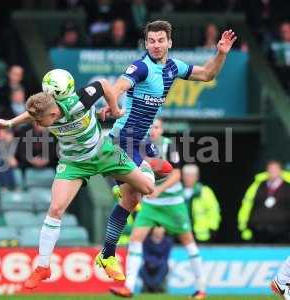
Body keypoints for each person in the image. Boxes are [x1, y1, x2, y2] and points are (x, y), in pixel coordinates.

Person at [97, 21, 236, 296]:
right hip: (124, 140)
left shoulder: (174, 68)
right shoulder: (141, 67)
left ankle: (108, 251)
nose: (156, 45)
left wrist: (221, 53)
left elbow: (207, 74)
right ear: (146, 44)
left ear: (169, 42)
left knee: (137, 194)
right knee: (145, 188)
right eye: (151, 41)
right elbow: (118, 86)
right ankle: (122, 182)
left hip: (142, 143)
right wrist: (111, 104)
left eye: (160, 40)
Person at [0, 73, 161, 290]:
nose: (38, 124)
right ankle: (43, 266)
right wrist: (10, 122)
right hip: (73, 163)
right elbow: (34, 112)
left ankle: (145, 165)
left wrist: (115, 109)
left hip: (103, 152)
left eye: (41, 122)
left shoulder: (79, 103)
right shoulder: (45, 108)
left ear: (53, 113)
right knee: (55, 208)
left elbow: (103, 84)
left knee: (147, 188)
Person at [110, 119, 206, 299]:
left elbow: (177, 174)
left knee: (188, 242)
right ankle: (128, 287)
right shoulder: (138, 147)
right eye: (150, 127)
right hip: (152, 205)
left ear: (162, 130)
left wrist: (158, 189)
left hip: (173, 204)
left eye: (157, 127)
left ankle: (201, 288)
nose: (153, 130)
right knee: (135, 239)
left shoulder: (169, 146)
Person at [238, 160, 290, 243]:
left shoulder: (288, 187)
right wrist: (244, 226)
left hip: (282, 231)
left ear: (281, 171)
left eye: (275, 169)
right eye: (270, 169)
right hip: (259, 230)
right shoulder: (257, 185)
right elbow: (247, 205)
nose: (272, 172)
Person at [182, 164, 221, 242]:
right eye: (186, 175)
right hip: (182, 233)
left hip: (201, 235)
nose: (188, 178)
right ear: (182, 176)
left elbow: (214, 210)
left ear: (197, 177)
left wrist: (212, 228)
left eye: (192, 175)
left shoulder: (205, 191)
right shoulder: (177, 191)